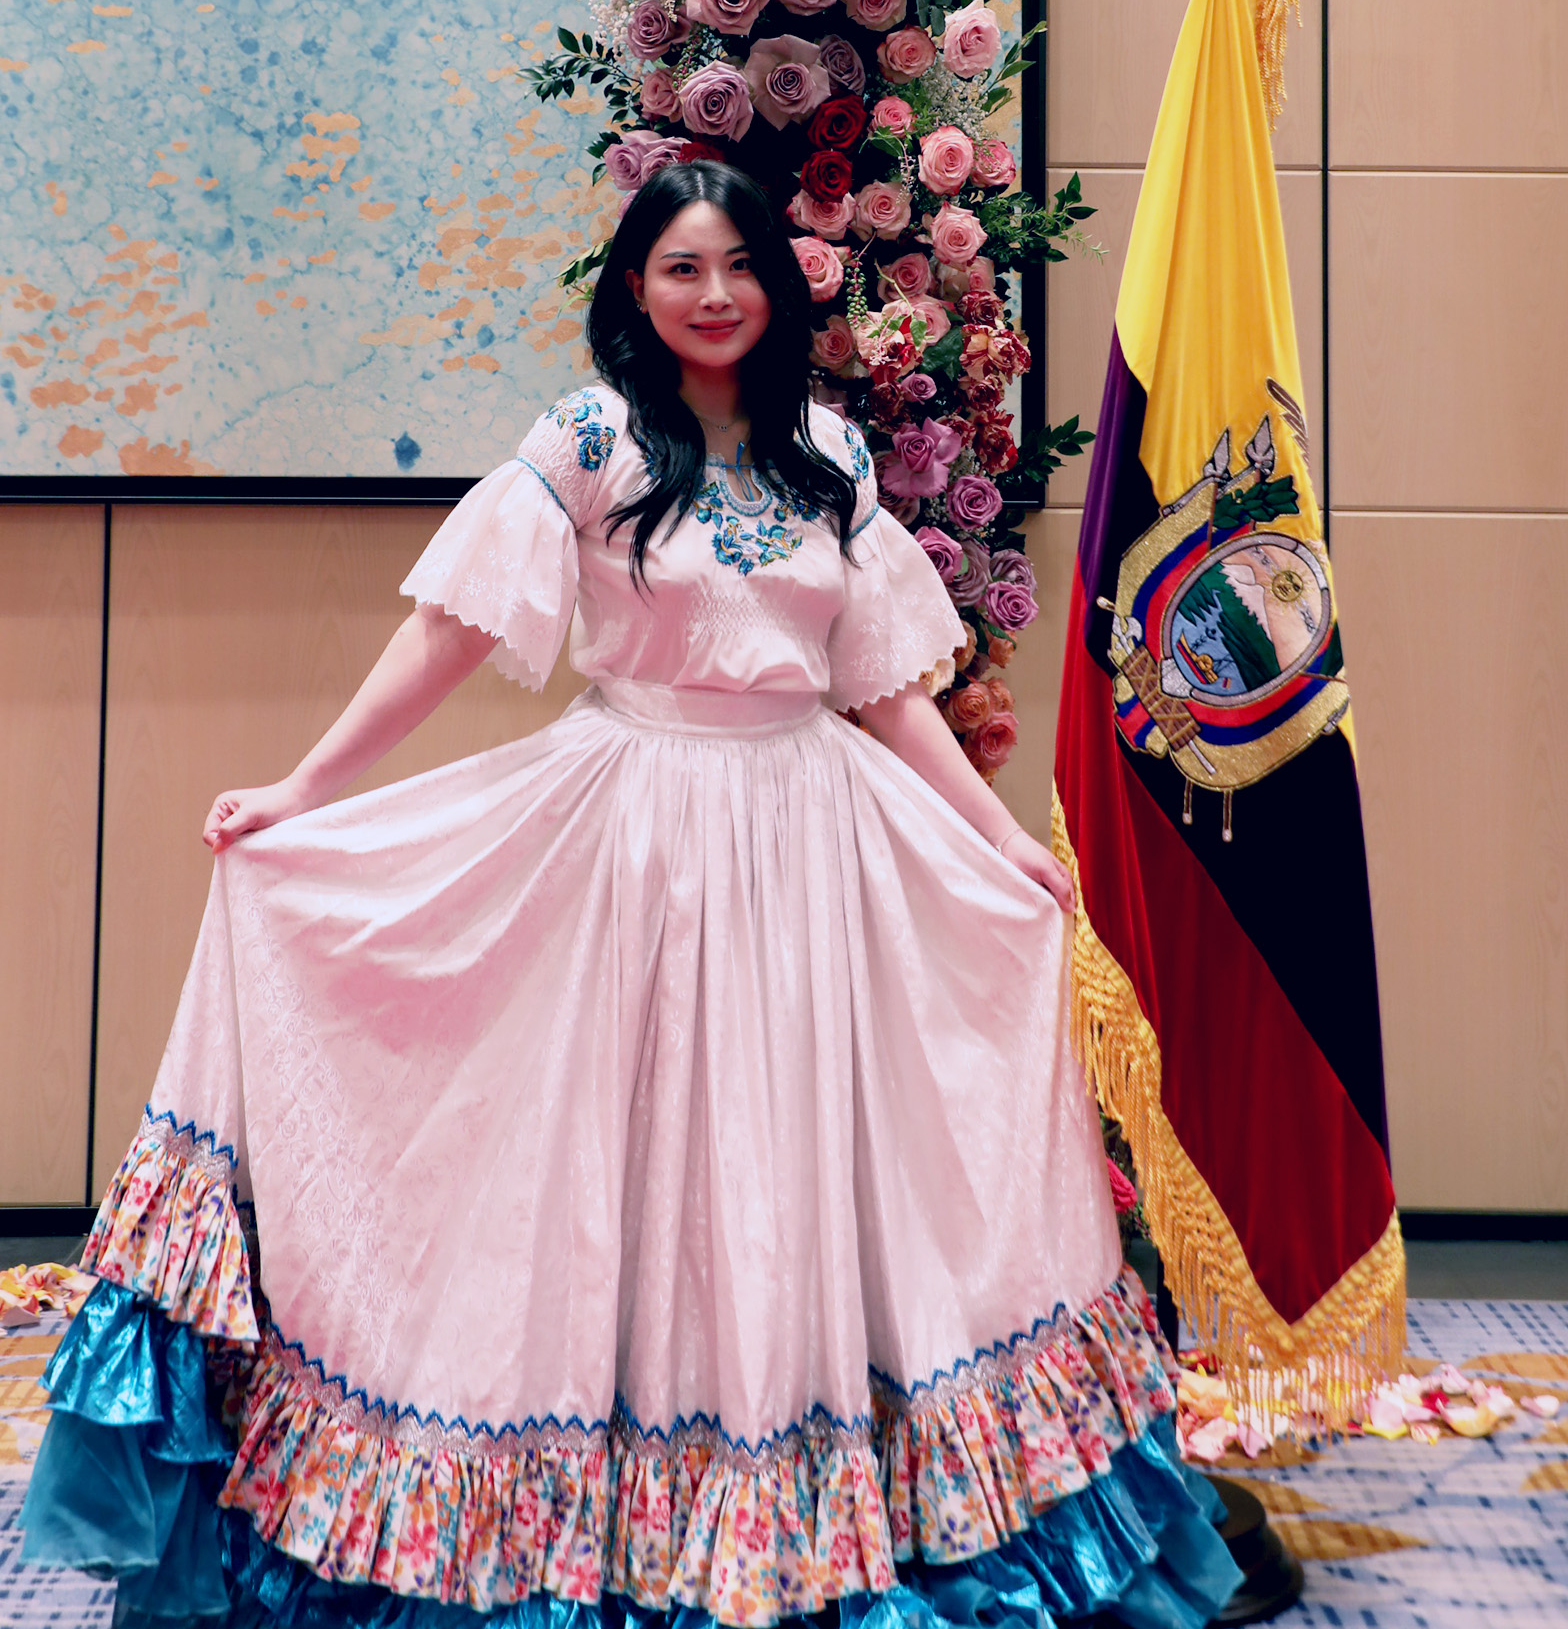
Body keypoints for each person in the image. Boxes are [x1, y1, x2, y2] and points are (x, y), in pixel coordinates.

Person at [22, 161, 1238, 1629]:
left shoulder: (828, 453)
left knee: (783, 1161)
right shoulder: (588, 439)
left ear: (775, 283)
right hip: (632, 834)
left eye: (739, 266)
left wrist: (997, 845)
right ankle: (602, 1518)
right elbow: (449, 635)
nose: (715, 294)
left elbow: (888, 695)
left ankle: (797, 1518)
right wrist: (305, 789)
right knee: (610, 1161)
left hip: (809, 839)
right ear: (636, 288)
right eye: (681, 268)